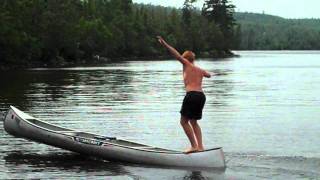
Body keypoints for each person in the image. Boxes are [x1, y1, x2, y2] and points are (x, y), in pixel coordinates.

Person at [157, 36, 211, 154]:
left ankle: (193, 146)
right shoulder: (199, 69)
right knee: (194, 122)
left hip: (191, 95)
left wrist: (165, 44)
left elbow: (175, 54)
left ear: (185, 59)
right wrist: (202, 72)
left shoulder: (186, 64)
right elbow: (208, 75)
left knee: (183, 122)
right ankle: (200, 147)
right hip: (201, 96)